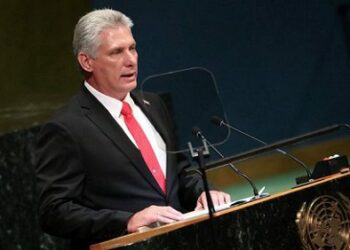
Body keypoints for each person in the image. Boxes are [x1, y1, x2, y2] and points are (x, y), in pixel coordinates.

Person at [35, 8, 231, 249]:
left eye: (132, 48)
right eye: (116, 52)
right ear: (86, 61)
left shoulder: (154, 104)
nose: (131, 60)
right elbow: (54, 212)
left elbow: (178, 172)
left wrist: (203, 192)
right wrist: (128, 220)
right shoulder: (65, 127)